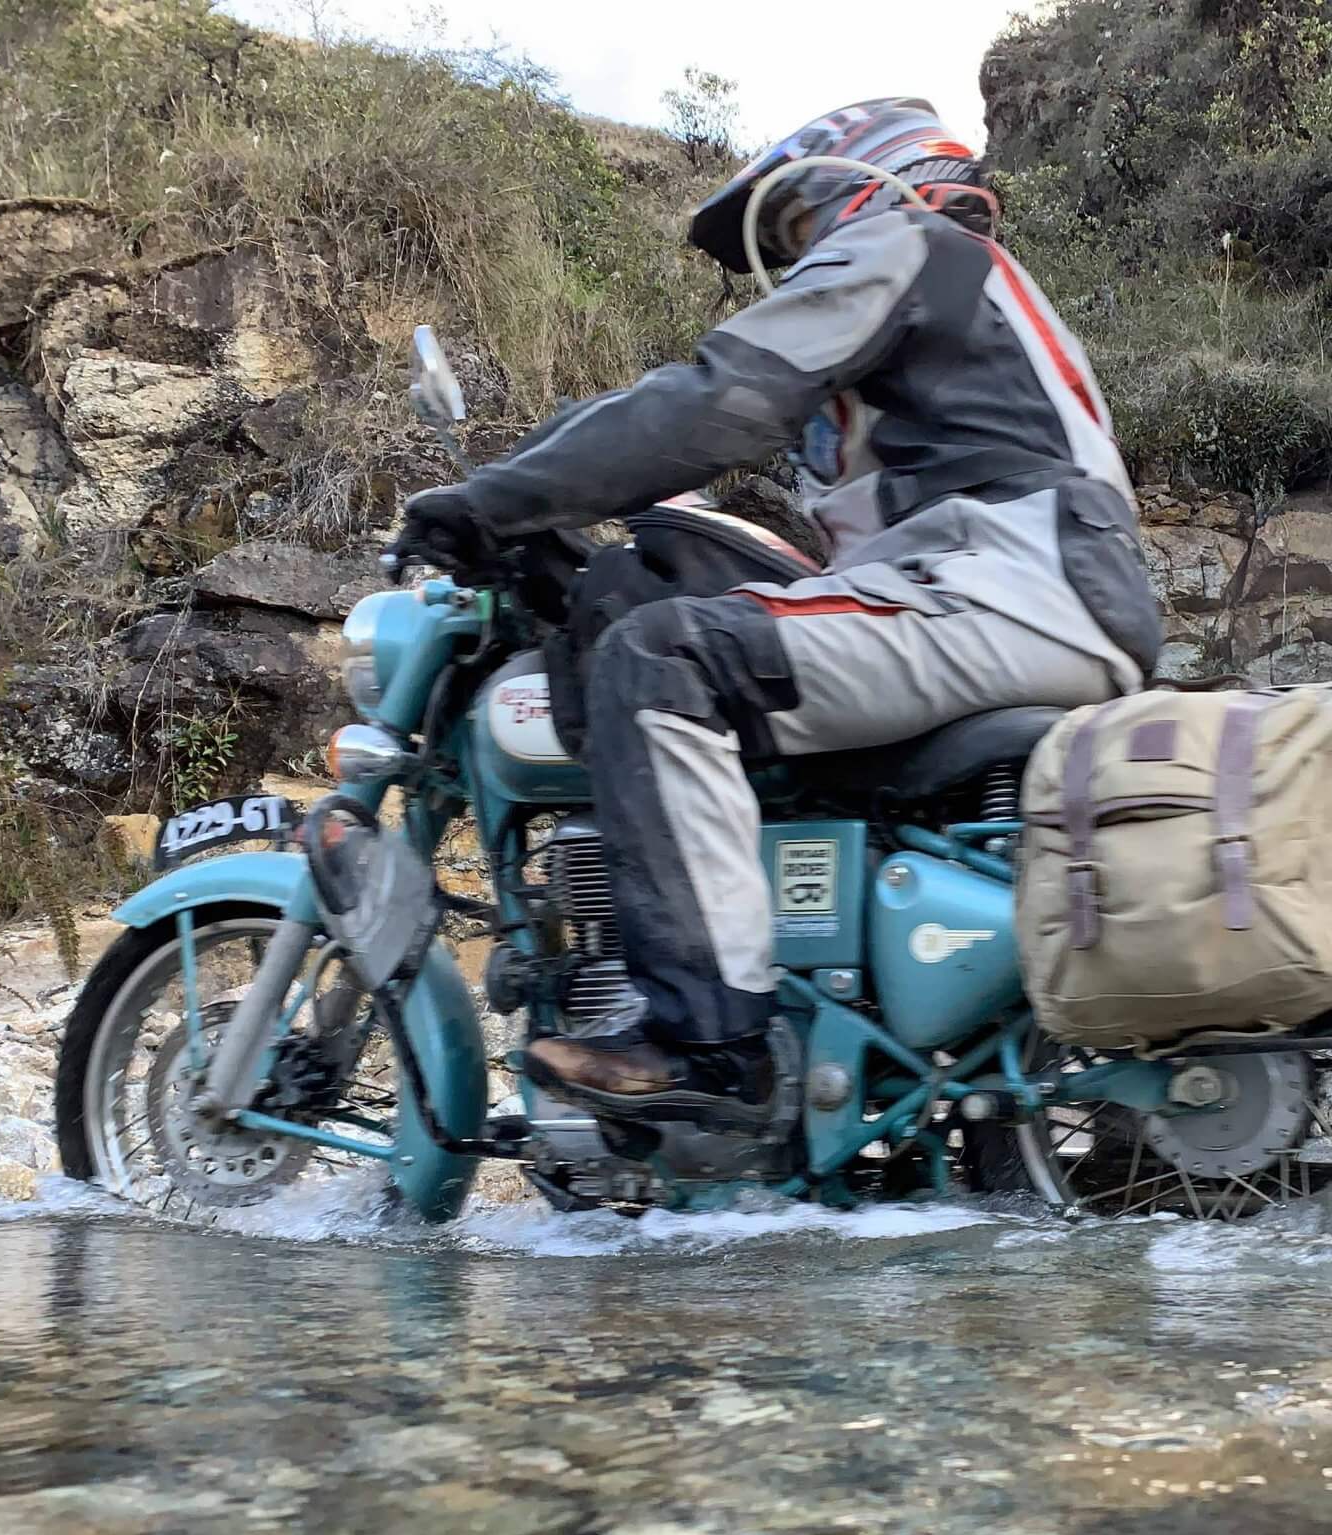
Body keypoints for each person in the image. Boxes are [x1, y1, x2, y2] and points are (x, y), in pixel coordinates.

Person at [393, 99, 1161, 1127]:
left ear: (868, 178)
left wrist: (497, 499)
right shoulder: (967, 321)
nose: (798, 255)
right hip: (1012, 589)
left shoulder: (910, 243)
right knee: (734, 646)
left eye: (800, 223)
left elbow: (724, 397)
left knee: (662, 660)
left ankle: (709, 1047)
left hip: (1011, 585)